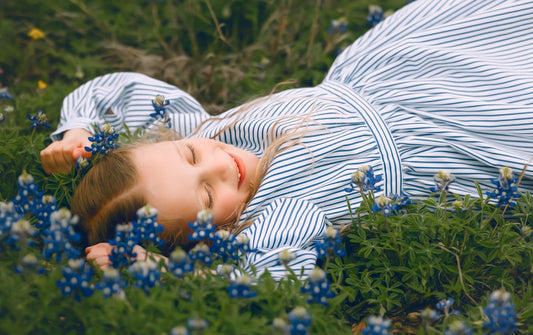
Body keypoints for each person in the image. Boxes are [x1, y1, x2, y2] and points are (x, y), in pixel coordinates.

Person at [41, 0, 533, 279]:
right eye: (208, 195)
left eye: (189, 154)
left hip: (401, 72)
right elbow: (272, 270)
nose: (216, 164)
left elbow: (122, 93)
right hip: (451, 135)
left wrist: (79, 132)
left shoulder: (205, 130)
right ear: (207, 238)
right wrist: (161, 274)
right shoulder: (270, 213)